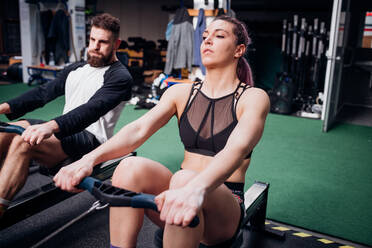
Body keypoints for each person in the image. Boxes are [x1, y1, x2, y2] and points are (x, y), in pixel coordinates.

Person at [54, 15, 270, 248]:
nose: (207, 41)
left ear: (238, 50)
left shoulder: (253, 97)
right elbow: (138, 129)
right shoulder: (180, 92)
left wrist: (195, 189)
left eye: (218, 36)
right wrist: (87, 160)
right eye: (205, 36)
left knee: (184, 178)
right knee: (129, 167)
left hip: (223, 209)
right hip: (180, 194)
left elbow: (236, 149)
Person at [0, 13, 132, 217]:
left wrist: (50, 127)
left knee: (24, 141)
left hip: (90, 140)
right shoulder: (76, 68)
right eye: (93, 40)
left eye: (103, 42)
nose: (95, 46)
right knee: (6, 133)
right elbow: (43, 92)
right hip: (64, 130)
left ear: (117, 44)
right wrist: (3, 107)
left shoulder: (120, 77)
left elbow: (90, 111)